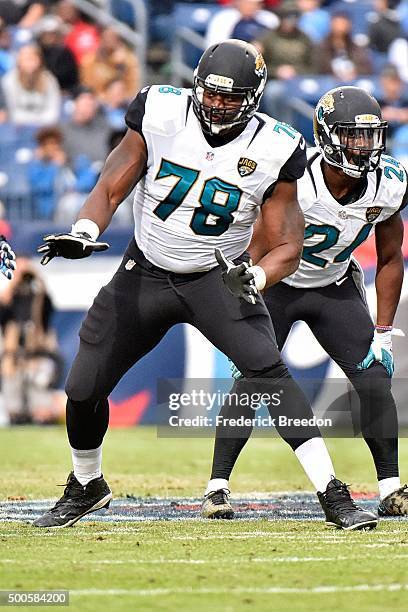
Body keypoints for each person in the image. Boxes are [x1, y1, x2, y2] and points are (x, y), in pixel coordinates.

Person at [32, 40, 377, 530]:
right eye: (210, 94)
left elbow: (287, 245)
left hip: (217, 278)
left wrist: (255, 276)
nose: (217, 105)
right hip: (146, 270)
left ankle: (333, 494)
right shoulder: (161, 111)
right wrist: (86, 230)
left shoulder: (275, 147)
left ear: (254, 97)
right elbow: (113, 182)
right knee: (83, 386)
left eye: (230, 98)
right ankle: (87, 483)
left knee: (268, 372)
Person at [223, 86, 408, 517]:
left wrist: (383, 330)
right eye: (352, 136)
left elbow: (389, 258)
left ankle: (391, 488)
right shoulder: (295, 176)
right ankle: (218, 486)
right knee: (249, 378)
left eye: (370, 137)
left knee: (374, 376)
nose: (363, 147)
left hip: (333, 286)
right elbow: (256, 237)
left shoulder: (388, 183)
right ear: (326, 135)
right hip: (279, 284)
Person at [1, 44, 61, 127]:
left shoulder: (49, 79)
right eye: (26, 59)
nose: (29, 63)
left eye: (32, 59)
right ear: (19, 61)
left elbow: (53, 110)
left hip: (44, 126)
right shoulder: (9, 80)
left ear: (40, 60)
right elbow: (12, 111)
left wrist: (40, 123)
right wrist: (31, 123)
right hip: (17, 127)